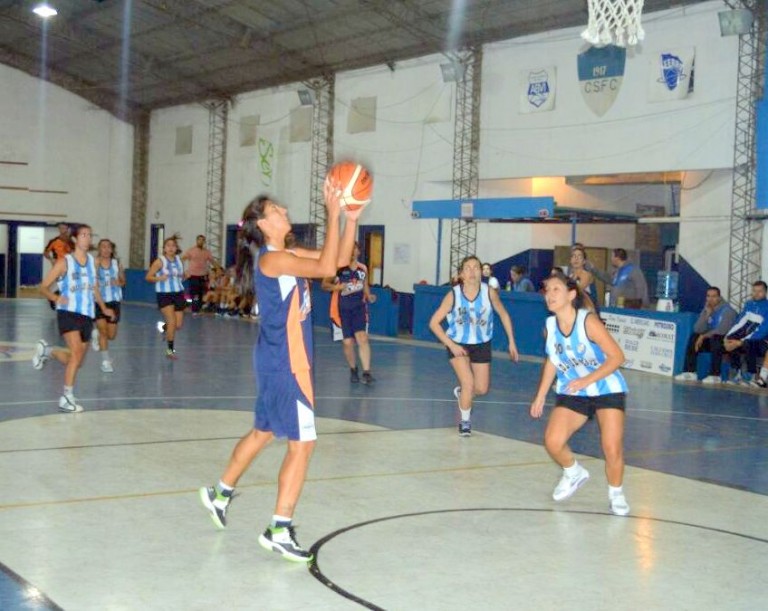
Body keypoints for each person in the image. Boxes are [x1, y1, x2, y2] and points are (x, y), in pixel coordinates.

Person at [198, 182, 359, 563]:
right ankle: (279, 529)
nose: (285, 211)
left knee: (263, 432)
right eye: (278, 210)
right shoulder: (272, 259)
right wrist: (332, 211)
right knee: (302, 444)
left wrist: (350, 218)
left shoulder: (284, 252)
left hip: (274, 359)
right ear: (262, 224)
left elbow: (340, 259)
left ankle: (220, 492)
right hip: (288, 361)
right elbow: (324, 268)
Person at [529, 271, 630, 516]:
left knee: (611, 447)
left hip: (606, 387)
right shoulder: (551, 325)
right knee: (553, 441)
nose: (549, 295)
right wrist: (540, 394)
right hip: (574, 391)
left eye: (556, 290)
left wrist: (586, 379)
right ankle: (573, 472)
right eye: (547, 290)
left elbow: (618, 357)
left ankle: (616, 493)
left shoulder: (588, 322)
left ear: (571, 294)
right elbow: (552, 361)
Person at [429, 255, 519, 437]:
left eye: (476, 267)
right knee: (469, 382)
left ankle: (463, 393)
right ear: (461, 274)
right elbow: (433, 323)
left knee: (481, 388)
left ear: (482, 272)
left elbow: (504, 314)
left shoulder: (489, 293)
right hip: (458, 343)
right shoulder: (453, 294)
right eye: (467, 268)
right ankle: (465, 421)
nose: (472, 271)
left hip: (482, 343)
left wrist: (511, 341)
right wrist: (451, 345)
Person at [32, 225, 114, 412]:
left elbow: (94, 288)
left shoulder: (93, 262)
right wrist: (55, 297)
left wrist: (103, 308)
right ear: (76, 239)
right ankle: (66, 397)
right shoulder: (65, 262)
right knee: (76, 352)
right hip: (67, 312)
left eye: (89, 235)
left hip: (87, 315)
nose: (87, 238)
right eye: (83, 235)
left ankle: (47, 351)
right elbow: (43, 287)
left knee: (76, 359)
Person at [322, 242, 378, 384]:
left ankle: (366, 372)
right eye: (349, 249)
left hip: (359, 308)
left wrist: (369, 295)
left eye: (355, 249)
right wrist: (338, 286)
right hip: (342, 310)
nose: (353, 252)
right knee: (347, 342)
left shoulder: (362, 268)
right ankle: (353, 369)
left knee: (362, 338)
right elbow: (324, 285)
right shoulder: (338, 268)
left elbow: (364, 285)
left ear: (358, 251)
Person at [674, 286, 736, 384]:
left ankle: (715, 375)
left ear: (719, 297)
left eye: (714, 296)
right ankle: (690, 372)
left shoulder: (728, 311)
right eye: (708, 296)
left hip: (726, 342)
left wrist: (703, 336)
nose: (710, 299)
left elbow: (722, 331)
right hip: (711, 340)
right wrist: (706, 315)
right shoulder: (707, 308)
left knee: (715, 339)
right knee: (694, 337)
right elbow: (697, 329)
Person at [146, 236, 186, 359]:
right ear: (164, 248)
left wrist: (185, 276)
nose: (170, 248)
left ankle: (164, 327)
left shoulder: (179, 261)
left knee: (178, 325)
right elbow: (148, 277)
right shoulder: (159, 262)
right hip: (164, 295)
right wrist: (159, 278)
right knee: (172, 321)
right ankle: (170, 351)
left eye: (173, 246)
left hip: (178, 293)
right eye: (168, 246)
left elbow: (180, 277)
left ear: (176, 248)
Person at [723, 280, 768, 385]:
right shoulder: (748, 304)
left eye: (760, 291)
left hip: (762, 342)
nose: (756, 294)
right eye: (754, 291)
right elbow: (739, 322)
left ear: (765, 292)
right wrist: (727, 337)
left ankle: (750, 376)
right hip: (748, 339)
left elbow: (763, 330)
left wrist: (742, 341)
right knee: (731, 339)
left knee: (749, 343)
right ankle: (737, 374)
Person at [92, 239, 125, 373]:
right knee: (104, 332)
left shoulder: (117, 264)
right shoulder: (95, 263)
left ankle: (96, 336)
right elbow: (91, 282)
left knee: (111, 335)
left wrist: (118, 282)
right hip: (99, 301)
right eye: (103, 247)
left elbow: (123, 282)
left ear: (112, 249)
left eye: (108, 247)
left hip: (114, 302)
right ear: (99, 249)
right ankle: (105, 361)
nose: (105, 249)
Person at [182, 234, 218, 313]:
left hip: (203, 275)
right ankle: (194, 309)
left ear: (204, 242)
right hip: (193, 275)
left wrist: (218, 268)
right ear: (197, 241)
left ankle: (199, 307)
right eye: (199, 240)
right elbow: (183, 259)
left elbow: (212, 261)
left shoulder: (207, 252)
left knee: (201, 293)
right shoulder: (191, 250)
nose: (201, 241)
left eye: (202, 240)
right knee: (194, 293)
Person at [42, 222, 72, 310]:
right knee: (62, 284)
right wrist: (51, 259)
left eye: (64, 228)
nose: (63, 230)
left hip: (69, 266)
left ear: (67, 229)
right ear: (59, 229)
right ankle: (53, 298)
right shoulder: (54, 241)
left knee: (67, 284)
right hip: (58, 267)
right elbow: (45, 252)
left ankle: (55, 298)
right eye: (61, 228)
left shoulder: (71, 242)